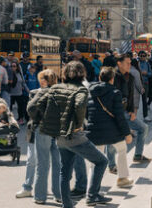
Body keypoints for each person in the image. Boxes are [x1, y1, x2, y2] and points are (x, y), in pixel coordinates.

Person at [30, 61, 110, 207]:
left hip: (60, 137)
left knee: (64, 171)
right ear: (82, 73)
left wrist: (43, 121)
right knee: (102, 161)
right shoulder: (81, 89)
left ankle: (67, 204)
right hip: (74, 136)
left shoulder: (55, 88)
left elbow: (32, 106)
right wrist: (78, 125)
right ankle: (92, 195)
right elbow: (79, 105)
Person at [19, 69, 63, 204]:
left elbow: (31, 108)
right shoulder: (61, 92)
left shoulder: (40, 92)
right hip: (58, 130)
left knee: (43, 163)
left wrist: (38, 118)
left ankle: (40, 196)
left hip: (43, 129)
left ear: (44, 80)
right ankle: (59, 194)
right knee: (58, 164)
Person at [87, 67, 134, 189]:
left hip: (94, 131)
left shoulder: (90, 91)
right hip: (112, 131)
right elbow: (119, 116)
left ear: (99, 78)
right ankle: (122, 178)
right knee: (122, 149)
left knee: (96, 159)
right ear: (112, 79)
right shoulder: (115, 93)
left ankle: (93, 185)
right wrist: (127, 133)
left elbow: (87, 112)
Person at [117, 53, 151, 164]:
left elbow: (130, 95)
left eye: (130, 63)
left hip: (126, 110)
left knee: (143, 128)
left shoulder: (130, 75)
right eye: (127, 63)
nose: (129, 65)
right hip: (117, 111)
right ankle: (112, 164)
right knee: (114, 137)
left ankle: (137, 155)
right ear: (119, 63)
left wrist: (131, 110)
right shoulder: (114, 76)